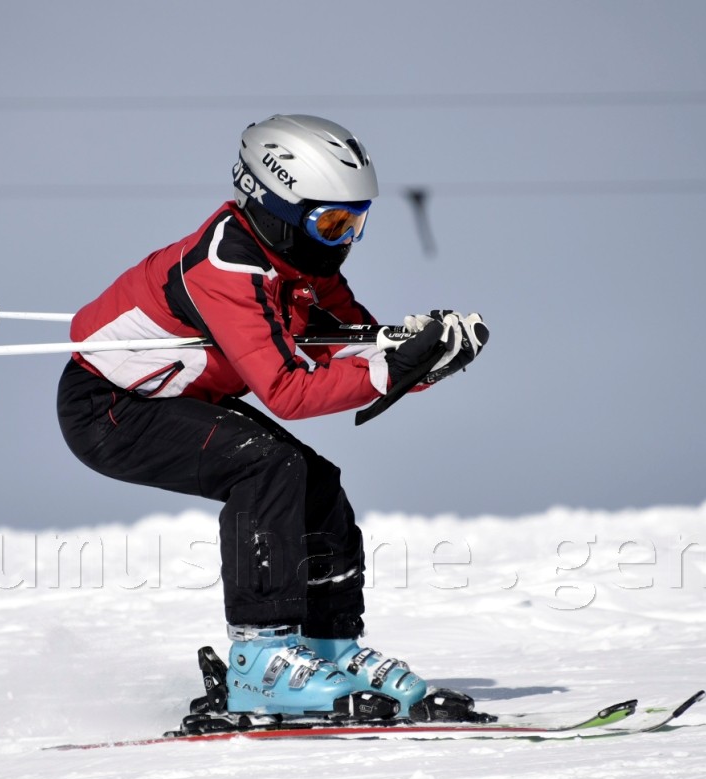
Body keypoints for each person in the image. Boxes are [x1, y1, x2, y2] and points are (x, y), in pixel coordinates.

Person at [57, 114, 487, 717]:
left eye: (356, 222)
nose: (344, 239)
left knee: (316, 482)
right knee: (268, 469)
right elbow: (288, 390)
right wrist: (391, 369)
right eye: (332, 221)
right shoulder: (227, 269)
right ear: (276, 203)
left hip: (182, 398)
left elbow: (348, 347)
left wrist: (426, 358)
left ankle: (328, 645)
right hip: (110, 408)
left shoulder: (304, 266)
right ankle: (260, 661)